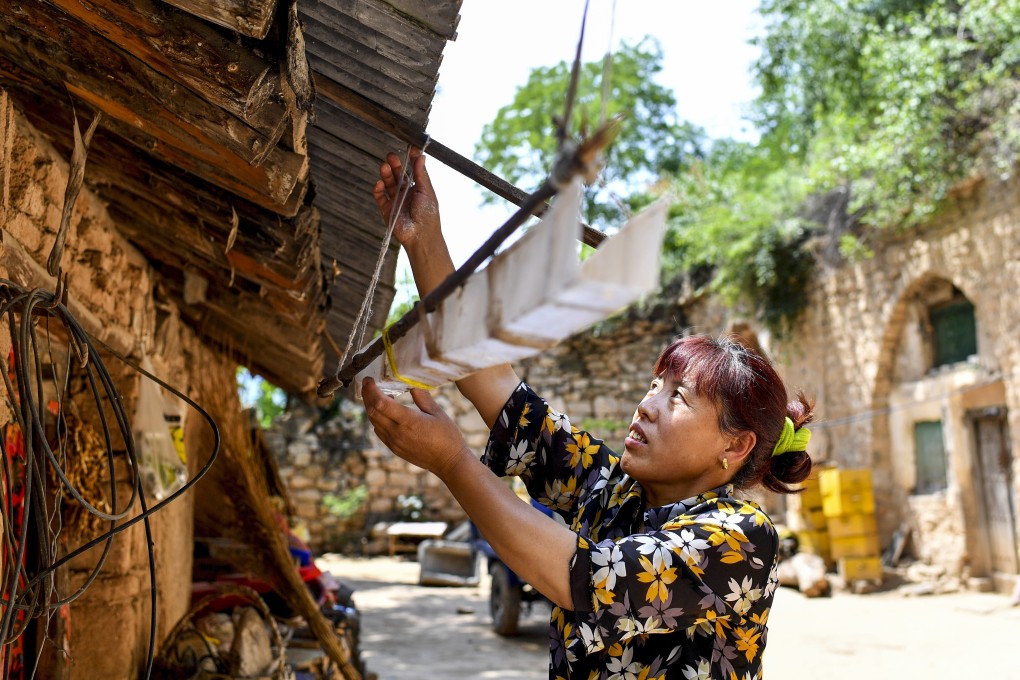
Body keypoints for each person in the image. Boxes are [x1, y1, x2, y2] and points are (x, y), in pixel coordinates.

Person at [362, 147, 815, 680]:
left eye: (677, 397)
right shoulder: (612, 492)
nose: (646, 405)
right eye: (653, 386)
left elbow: (580, 578)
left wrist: (453, 462)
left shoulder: (739, 536)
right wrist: (424, 241)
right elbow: (494, 381)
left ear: (735, 445)